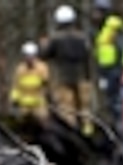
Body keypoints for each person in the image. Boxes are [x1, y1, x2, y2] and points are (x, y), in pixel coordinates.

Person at [40, 4, 94, 135]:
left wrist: (43, 45)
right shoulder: (81, 38)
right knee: (85, 108)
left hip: (63, 78)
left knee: (67, 108)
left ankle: (71, 133)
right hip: (82, 76)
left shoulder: (55, 39)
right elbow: (88, 56)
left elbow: (45, 55)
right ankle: (88, 132)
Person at [91, 0, 123, 130]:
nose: (95, 15)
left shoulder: (113, 26)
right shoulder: (101, 28)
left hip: (114, 67)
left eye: (98, 11)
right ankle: (112, 123)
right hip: (105, 68)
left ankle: (119, 124)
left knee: (114, 98)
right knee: (109, 97)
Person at [9, 42, 50, 127]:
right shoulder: (20, 69)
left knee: (43, 123)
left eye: (31, 55)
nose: (29, 58)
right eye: (27, 55)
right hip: (24, 104)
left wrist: (48, 96)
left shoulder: (42, 67)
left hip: (38, 103)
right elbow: (16, 86)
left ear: (35, 56)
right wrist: (14, 99)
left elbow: (46, 84)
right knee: (23, 125)